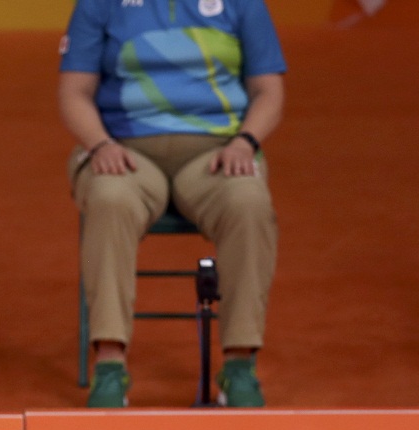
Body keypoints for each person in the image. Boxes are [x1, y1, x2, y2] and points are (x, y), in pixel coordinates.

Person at [58, 0, 286, 407]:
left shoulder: (243, 4)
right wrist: (100, 144)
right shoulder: (99, 5)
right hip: (123, 151)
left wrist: (244, 142)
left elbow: (268, 90)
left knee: (249, 203)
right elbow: (74, 92)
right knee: (110, 199)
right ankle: (110, 366)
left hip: (218, 153)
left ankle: (239, 365)